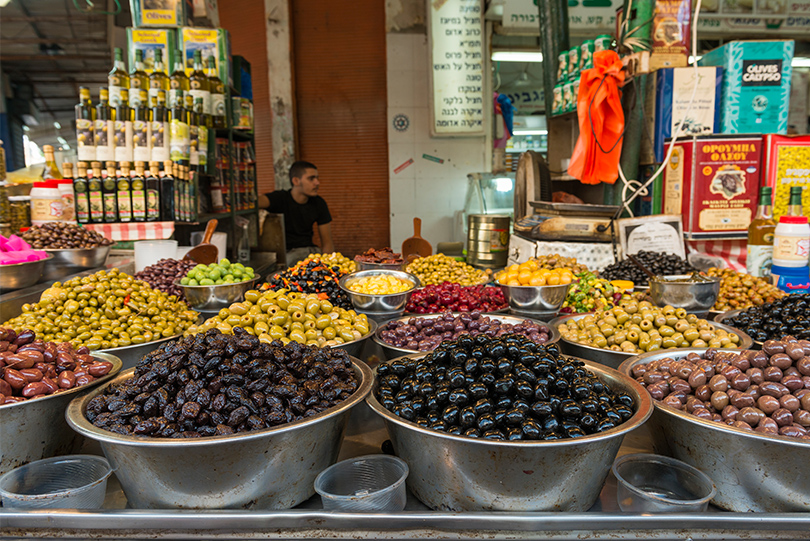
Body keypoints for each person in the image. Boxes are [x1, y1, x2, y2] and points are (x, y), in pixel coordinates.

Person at [258, 161, 334, 265]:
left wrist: (328, 265)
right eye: (311, 178)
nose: (317, 183)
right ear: (296, 181)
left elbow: (327, 243)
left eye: (317, 178)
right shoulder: (280, 198)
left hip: (308, 251)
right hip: (285, 254)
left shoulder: (319, 203)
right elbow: (255, 202)